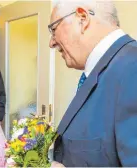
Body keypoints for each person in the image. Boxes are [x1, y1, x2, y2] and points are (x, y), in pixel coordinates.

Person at [49, 0, 137, 167]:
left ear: (82, 18)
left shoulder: (133, 68)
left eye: (54, 29)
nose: (51, 42)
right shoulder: (105, 70)